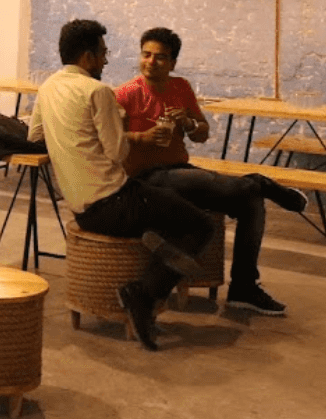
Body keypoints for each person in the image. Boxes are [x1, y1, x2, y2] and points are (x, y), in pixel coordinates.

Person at [29, 19, 213, 351]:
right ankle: (142, 294)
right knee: (200, 224)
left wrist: (70, 144)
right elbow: (117, 153)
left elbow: (35, 136)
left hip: (80, 206)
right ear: (87, 57)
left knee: (165, 202)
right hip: (114, 201)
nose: (106, 60)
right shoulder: (97, 91)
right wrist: (125, 126)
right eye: (103, 53)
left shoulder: (47, 87)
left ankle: (157, 249)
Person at [115, 27, 306, 316]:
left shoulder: (181, 87)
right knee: (249, 188)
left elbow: (202, 134)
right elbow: (108, 139)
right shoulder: (125, 94)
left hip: (180, 171)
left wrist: (189, 124)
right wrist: (142, 138)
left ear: (173, 63)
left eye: (161, 57)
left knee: (250, 200)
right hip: (148, 179)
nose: (151, 62)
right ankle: (265, 184)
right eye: (146, 55)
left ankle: (243, 288)